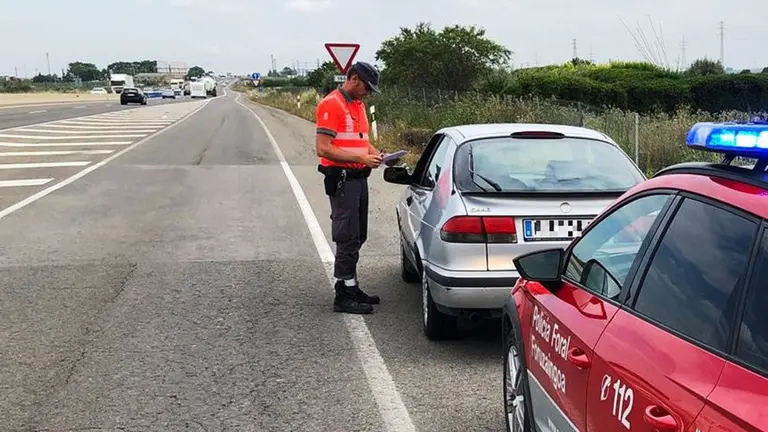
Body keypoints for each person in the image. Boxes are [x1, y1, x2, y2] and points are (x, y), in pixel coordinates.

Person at [315, 61, 387, 314]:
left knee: (358, 235)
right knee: (346, 236)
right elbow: (323, 148)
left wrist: (379, 156)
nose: (368, 92)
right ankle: (342, 293)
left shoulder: (358, 105)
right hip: (343, 178)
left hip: (359, 178)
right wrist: (360, 159)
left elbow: (361, 142)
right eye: (367, 86)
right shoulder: (331, 104)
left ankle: (351, 284)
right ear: (353, 79)